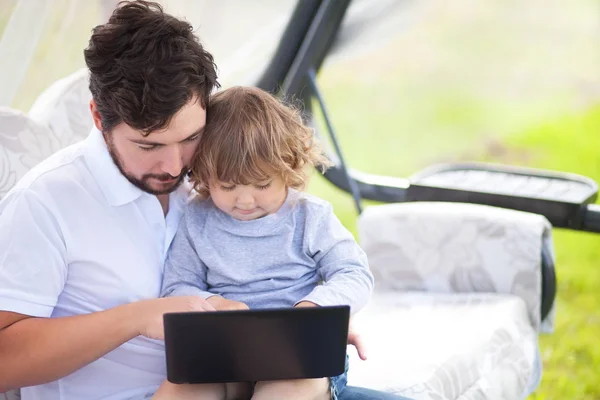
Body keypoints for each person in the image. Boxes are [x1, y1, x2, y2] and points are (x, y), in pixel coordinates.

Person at [0, 1, 408, 399]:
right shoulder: (44, 204)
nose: (175, 166)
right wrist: (137, 319)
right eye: (148, 145)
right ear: (96, 117)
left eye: (190, 137)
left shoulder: (211, 177)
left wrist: (313, 321)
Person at [157, 86, 374, 400]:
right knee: (181, 391)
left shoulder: (310, 217)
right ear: (204, 173)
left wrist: (314, 308)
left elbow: (354, 273)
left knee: (282, 393)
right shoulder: (197, 220)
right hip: (225, 356)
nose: (245, 200)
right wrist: (216, 305)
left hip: (302, 360)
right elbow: (176, 287)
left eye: (261, 184)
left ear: (287, 168)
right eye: (227, 186)